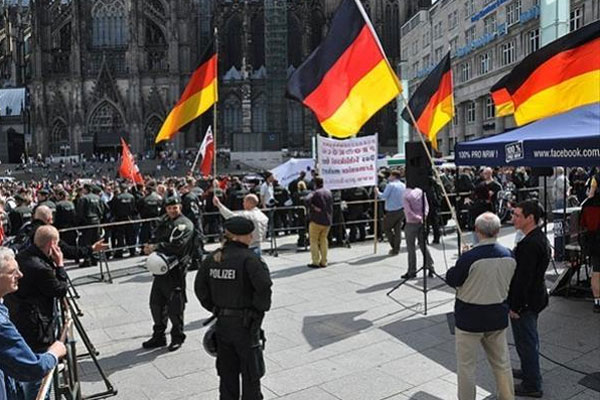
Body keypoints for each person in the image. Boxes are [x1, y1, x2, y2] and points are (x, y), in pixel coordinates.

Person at [195, 217, 272, 400]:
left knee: (227, 375)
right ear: (239, 237)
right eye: (249, 234)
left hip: (222, 324)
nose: (252, 236)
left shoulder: (213, 258)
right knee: (250, 375)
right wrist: (257, 312)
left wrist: (215, 308)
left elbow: (200, 288)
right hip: (246, 325)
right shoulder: (250, 259)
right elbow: (264, 288)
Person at [446, 213, 516, 400]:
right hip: (496, 316)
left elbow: (453, 279)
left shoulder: (469, 257)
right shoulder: (509, 254)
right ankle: (507, 397)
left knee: (466, 366)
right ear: (498, 231)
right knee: (501, 363)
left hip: (469, 318)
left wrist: (463, 257)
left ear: (477, 231)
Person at [4, 226, 69, 400]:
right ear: (51, 244)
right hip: (37, 330)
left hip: (21, 322)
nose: (20, 275)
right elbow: (60, 289)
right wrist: (60, 265)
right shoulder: (40, 267)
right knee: (37, 387)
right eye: (12, 272)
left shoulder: (24, 256)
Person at [508, 200, 551, 398]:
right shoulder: (536, 237)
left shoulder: (530, 244)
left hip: (527, 302)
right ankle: (528, 371)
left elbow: (523, 279)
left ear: (530, 218)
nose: (513, 218)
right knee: (527, 340)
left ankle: (532, 384)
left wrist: (516, 306)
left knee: (526, 341)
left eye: (517, 215)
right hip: (535, 298)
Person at [142, 195, 194, 352]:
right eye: (169, 208)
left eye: (175, 207)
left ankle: (177, 336)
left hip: (175, 270)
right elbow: (155, 236)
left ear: (180, 207)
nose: (172, 210)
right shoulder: (164, 221)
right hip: (160, 270)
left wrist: (156, 247)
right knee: (156, 305)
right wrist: (149, 246)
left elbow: (178, 245)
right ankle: (159, 336)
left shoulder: (185, 224)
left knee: (175, 307)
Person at [402, 185, 435, 279]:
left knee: (411, 248)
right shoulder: (421, 191)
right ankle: (431, 267)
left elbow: (408, 211)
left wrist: (417, 218)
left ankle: (412, 271)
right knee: (423, 245)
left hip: (411, 223)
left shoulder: (405, 194)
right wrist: (423, 217)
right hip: (422, 222)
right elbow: (426, 206)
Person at [305, 177, 333, 268]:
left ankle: (315, 261)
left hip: (316, 220)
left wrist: (313, 207)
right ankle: (324, 261)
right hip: (327, 220)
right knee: (324, 240)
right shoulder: (329, 192)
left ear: (315, 184)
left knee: (313, 241)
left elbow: (306, 200)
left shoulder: (315, 192)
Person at [377, 170, 405, 255]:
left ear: (393, 176)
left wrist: (377, 192)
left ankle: (395, 246)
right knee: (398, 230)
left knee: (386, 228)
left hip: (392, 211)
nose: (388, 177)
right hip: (401, 209)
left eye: (390, 176)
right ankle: (396, 248)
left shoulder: (391, 185)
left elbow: (383, 196)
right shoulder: (403, 185)